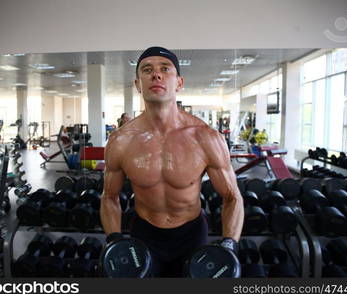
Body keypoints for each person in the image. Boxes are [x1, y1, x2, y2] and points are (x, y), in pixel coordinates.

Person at [100, 46, 244, 277]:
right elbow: (109, 197)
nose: (156, 74)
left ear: (179, 82)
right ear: (138, 84)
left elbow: (232, 196)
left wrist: (229, 244)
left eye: (165, 69)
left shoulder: (205, 137)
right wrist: (114, 239)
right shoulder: (121, 140)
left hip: (191, 234)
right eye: (147, 70)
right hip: (144, 233)